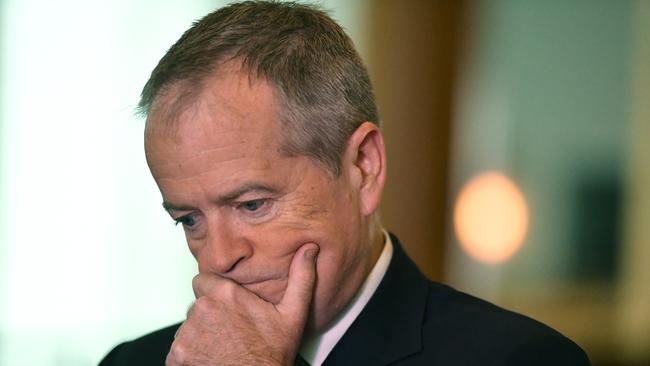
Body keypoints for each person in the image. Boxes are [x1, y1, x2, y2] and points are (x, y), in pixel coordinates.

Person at [99, 1, 591, 365]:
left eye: (252, 205)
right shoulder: (134, 362)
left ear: (363, 167)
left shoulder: (519, 358)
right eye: (189, 219)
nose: (218, 257)